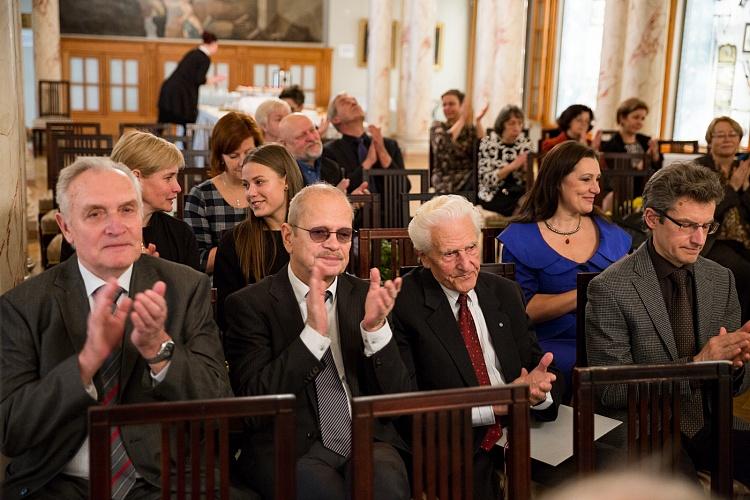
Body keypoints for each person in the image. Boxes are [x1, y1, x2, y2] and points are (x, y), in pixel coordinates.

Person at [0, 158, 231, 500]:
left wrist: (160, 349)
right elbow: (11, 431)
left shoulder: (185, 288)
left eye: (126, 210)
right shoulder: (24, 305)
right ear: (66, 228)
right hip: (60, 483)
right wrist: (86, 363)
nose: (116, 226)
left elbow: (217, 410)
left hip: (162, 481)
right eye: (95, 214)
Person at [224, 183, 411, 500]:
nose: (333, 245)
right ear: (288, 237)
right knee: (318, 486)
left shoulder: (368, 297)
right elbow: (255, 406)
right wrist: (311, 337)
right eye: (319, 233)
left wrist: (376, 329)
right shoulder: (251, 305)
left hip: (366, 437)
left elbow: (398, 399)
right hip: (291, 444)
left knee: (383, 478)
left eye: (343, 234)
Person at [586, 162, 750, 486]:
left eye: (707, 225)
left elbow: (738, 386)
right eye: (687, 225)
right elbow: (613, 391)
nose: (699, 239)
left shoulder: (721, 279)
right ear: (651, 219)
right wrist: (697, 365)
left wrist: (737, 365)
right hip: (646, 428)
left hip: (711, 420)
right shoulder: (610, 288)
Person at [391, 194, 562, 500]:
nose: (466, 264)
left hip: (525, 432)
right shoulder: (403, 305)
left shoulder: (505, 292)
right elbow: (408, 404)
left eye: (471, 248)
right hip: (456, 442)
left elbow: (536, 369)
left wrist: (539, 393)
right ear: (424, 257)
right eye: (450, 254)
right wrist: (495, 404)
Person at [499, 141, 631, 396]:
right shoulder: (522, 238)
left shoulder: (613, 234)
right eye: (586, 179)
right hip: (551, 345)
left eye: (597, 179)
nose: (596, 189)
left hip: (611, 339)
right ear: (558, 180)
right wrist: (588, 291)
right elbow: (523, 310)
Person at [60, 130, 200, 270]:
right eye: (168, 178)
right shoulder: (84, 230)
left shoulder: (181, 234)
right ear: (136, 178)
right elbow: (67, 287)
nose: (178, 188)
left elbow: (194, 289)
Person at [213, 144, 304, 332]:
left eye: (259, 182)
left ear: (286, 180)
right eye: (246, 185)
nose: (250, 193)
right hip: (254, 341)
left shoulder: (311, 234)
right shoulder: (234, 241)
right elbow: (226, 314)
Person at [184, 111, 263, 273]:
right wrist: (247, 246)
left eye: (249, 153)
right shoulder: (202, 195)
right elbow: (199, 261)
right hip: (220, 283)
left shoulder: (267, 189)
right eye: (234, 156)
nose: (243, 162)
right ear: (220, 157)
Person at [694, 116, 750, 323]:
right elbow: (703, 212)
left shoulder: (744, 168)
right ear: (710, 140)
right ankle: (735, 327)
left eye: (732, 134)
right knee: (744, 272)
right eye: (720, 135)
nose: (727, 139)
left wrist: (744, 192)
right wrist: (733, 188)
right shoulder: (700, 169)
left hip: (743, 238)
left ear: (739, 140)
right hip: (711, 239)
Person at [322, 92, 407, 194]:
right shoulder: (330, 151)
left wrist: (382, 152)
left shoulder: (389, 145)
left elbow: (404, 189)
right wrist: (368, 162)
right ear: (336, 119)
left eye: (354, 100)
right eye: (344, 102)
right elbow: (337, 193)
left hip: (390, 209)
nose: (353, 102)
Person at [157, 31, 225, 125]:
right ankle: (186, 140)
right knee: (188, 124)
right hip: (180, 95)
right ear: (212, 44)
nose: (217, 49)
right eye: (217, 46)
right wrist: (214, 80)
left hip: (168, 91)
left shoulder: (193, 52)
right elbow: (199, 79)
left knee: (161, 126)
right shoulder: (205, 58)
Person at [477, 105, 533, 216]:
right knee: (525, 205)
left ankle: (516, 228)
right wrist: (512, 166)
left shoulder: (525, 144)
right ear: (502, 124)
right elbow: (485, 180)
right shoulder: (488, 144)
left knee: (531, 200)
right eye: (512, 123)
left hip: (518, 191)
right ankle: (517, 227)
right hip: (493, 193)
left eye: (520, 123)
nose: (516, 127)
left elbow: (527, 180)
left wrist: (527, 170)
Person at [430, 89, 488, 193]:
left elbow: (484, 149)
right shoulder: (438, 126)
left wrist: (478, 121)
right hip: (445, 179)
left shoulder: (469, 129)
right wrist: (462, 119)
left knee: (485, 176)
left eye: (451, 104)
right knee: (479, 179)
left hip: (469, 177)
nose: (447, 108)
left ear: (461, 106)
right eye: (444, 105)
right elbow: (443, 143)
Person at [279, 113, 344, 187]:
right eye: (301, 135)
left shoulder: (332, 167)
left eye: (313, 130)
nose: (312, 138)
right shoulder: (280, 175)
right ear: (284, 144)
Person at [600, 97, 661, 168]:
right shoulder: (610, 146)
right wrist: (645, 160)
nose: (640, 122)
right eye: (636, 117)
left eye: (643, 118)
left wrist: (655, 156)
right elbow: (620, 175)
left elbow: (659, 170)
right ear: (622, 118)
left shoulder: (647, 141)